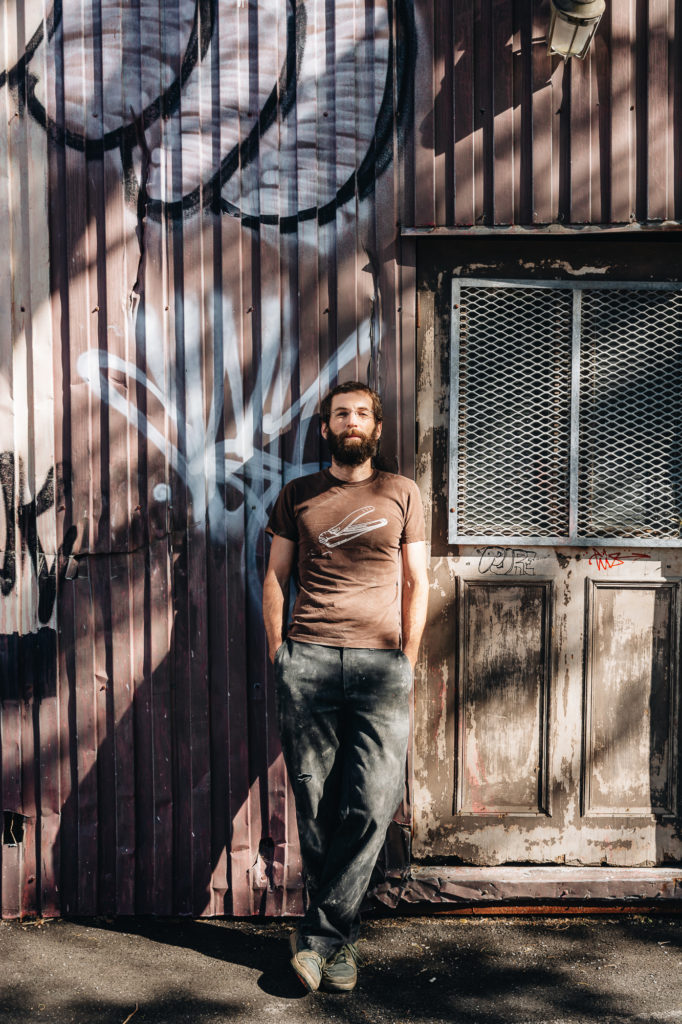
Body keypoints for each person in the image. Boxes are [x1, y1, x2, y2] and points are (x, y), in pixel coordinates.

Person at [262, 381, 429, 993]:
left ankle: (318, 938)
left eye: (362, 414)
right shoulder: (298, 495)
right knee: (316, 804)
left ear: (377, 429)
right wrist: (281, 654)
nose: (351, 422)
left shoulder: (402, 493)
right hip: (307, 661)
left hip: (380, 666)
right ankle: (339, 947)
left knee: (372, 803)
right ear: (326, 429)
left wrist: (407, 657)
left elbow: (418, 583)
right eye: (341, 415)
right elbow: (276, 578)